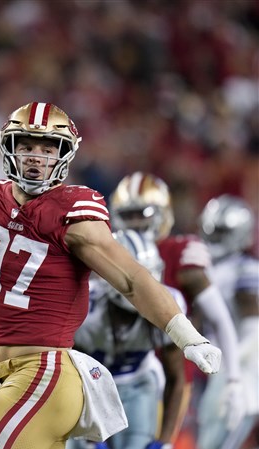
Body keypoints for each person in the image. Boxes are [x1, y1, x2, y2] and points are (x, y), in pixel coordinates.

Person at [0, 102, 222, 449]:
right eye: (26, 145)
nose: (36, 157)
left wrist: (187, 335)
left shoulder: (74, 211)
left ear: (64, 154)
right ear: (9, 148)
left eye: (48, 148)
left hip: (45, 373)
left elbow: (131, 278)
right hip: (11, 376)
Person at [109, 173, 245, 436]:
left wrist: (234, 379)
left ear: (163, 214)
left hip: (171, 376)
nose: (136, 223)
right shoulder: (108, 252)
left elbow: (220, 318)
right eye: (129, 215)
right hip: (117, 373)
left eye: (143, 213)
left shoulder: (182, 254)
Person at [67, 230, 187, 449]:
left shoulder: (169, 309)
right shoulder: (85, 311)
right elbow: (71, 378)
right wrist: (87, 434)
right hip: (89, 389)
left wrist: (167, 441)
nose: (147, 289)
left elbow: (176, 378)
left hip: (138, 385)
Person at [196, 195, 259, 449]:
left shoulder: (245, 269)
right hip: (214, 367)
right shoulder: (205, 266)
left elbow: (254, 329)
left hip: (240, 372)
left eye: (222, 232)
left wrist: (226, 363)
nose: (215, 238)